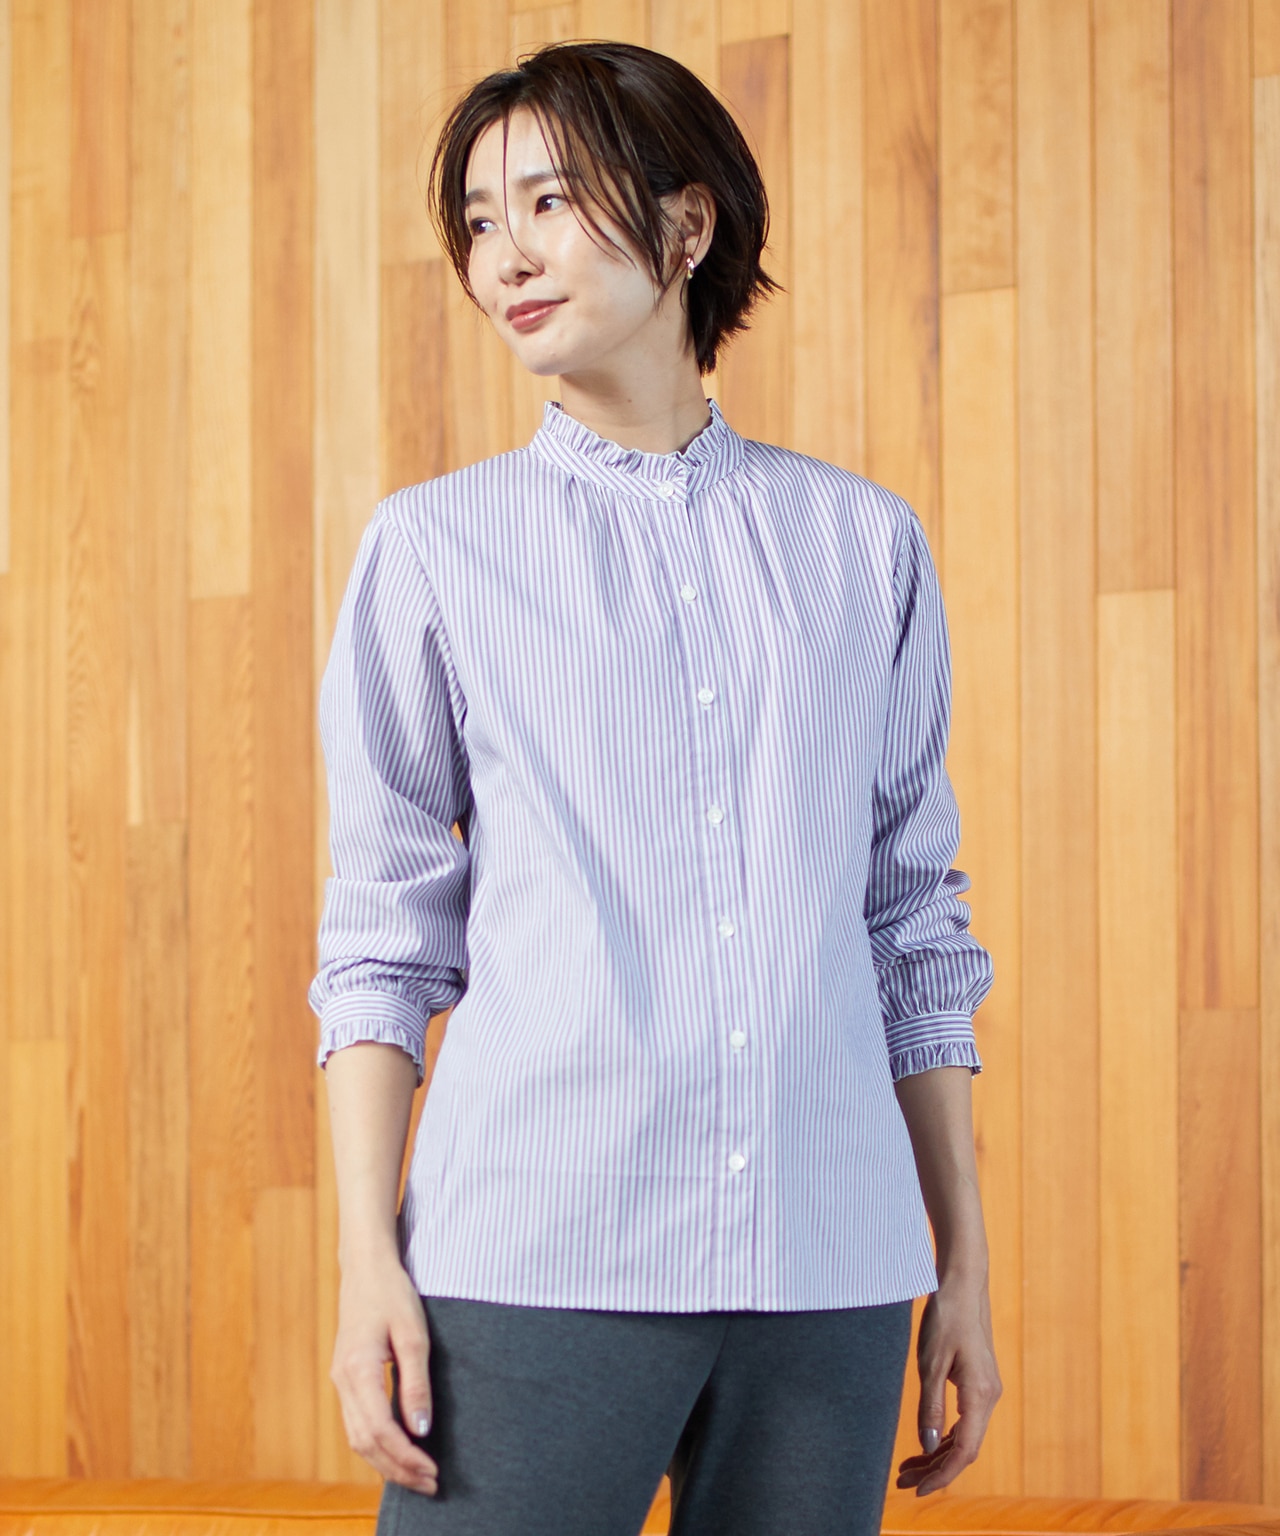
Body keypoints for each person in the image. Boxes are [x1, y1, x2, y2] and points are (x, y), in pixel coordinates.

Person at [307, 38, 1001, 1536]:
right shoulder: (433, 552)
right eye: (479, 220)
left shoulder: (864, 546)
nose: (505, 255)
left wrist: (962, 1263)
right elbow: (381, 944)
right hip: (535, 1256)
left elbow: (913, 929)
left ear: (687, 228)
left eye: (550, 202)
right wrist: (370, 1262)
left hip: (829, 1265)